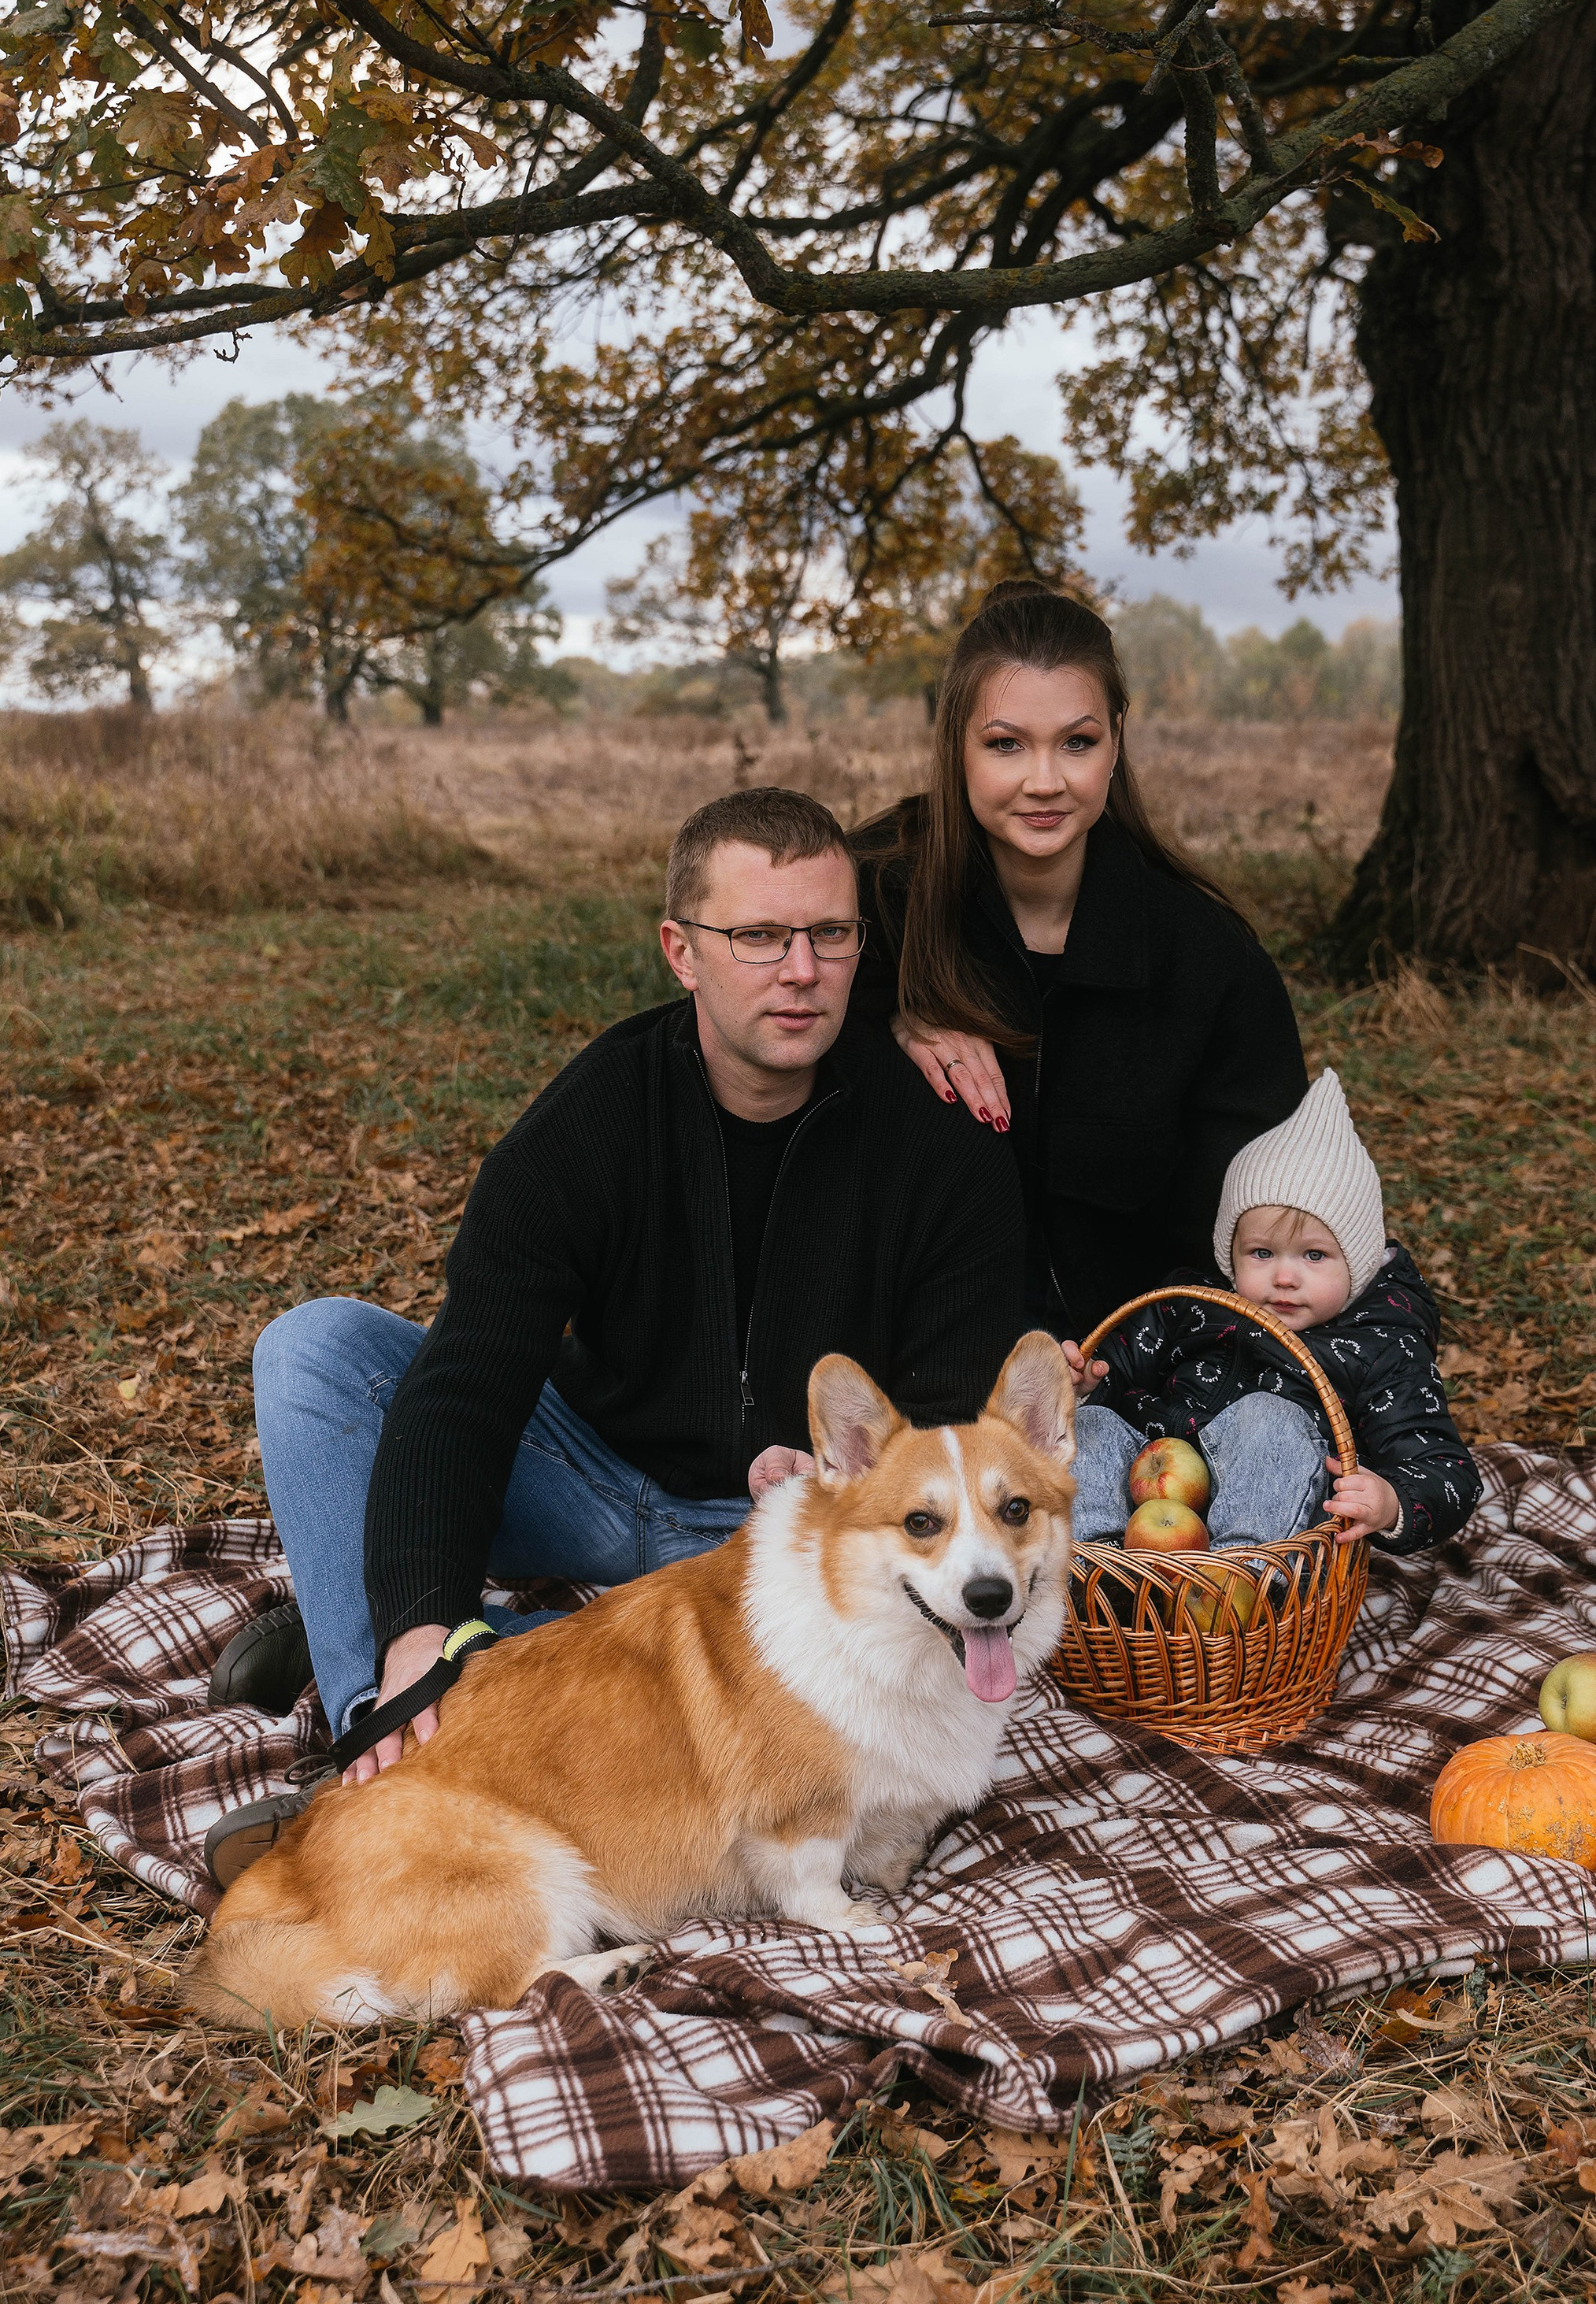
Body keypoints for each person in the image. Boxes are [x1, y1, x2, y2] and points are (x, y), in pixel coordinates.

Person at [205, 787, 1026, 1881]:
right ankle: (388, 1729)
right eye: (759, 936)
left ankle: (470, 1648)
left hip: (776, 1537)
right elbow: (472, 1376)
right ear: (681, 952)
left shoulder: (935, 1140)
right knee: (314, 1352)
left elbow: (952, 1416)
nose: (800, 969)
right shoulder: (598, 1115)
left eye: (830, 935)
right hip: (587, 1475)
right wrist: (419, 1613)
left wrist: (830, 1492)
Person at [851, 584, 1306, 1352]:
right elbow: (748, 1048)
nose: (1044, 781)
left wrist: (1135, 1357)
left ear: (1117, 741)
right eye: (1004, 744)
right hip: (909, 1364)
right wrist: (884, 1020)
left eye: (1076, 741)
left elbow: (1258, 1224)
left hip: (1139, 1375)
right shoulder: (865, 899)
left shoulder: (1209, 960)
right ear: (954, 743)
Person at [1071, 1069, 1481, 1554]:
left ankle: (1238, 1576)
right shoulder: (1191, 1307)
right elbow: (1119, 1374)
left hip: (1277, 1518)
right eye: (1262, 1254)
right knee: (1087, 1428)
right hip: (1155, 1499)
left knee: (1270, 1419)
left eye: (1314, 1256)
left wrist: (1393, 1502)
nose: (1285, 1278)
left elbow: (1444, 1466)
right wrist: (1088, 1385)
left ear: (1359, 1262)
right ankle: (1095, 1567)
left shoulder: (1382, 1346)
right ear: (1231, 1253)